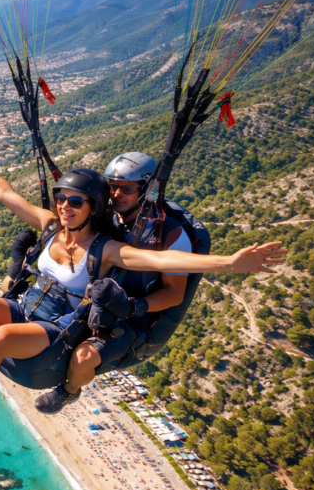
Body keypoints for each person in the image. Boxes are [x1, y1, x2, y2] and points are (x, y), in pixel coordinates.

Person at [0, 138, 285, 438]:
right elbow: (5, 193)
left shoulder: (107, 249)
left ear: (92, 207)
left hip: (54, 331)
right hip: (26, 309)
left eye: (76, 201)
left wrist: (229, 264)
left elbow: (162, 261)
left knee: (3, 335)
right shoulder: (49, 226)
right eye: (62, 199)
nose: (65, 206)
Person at [31, 151, 194, 414]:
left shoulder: (170, 234)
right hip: (94, 305)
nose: (117, 194)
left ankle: (69, 391)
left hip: (134, 315)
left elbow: (174, 293)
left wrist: (133, 307)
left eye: (126, 188)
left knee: (84, 359)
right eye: (112, 186)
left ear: (145, 190)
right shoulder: (104, 216)